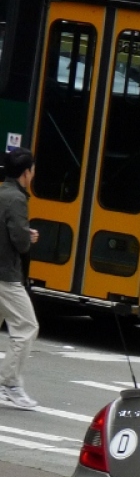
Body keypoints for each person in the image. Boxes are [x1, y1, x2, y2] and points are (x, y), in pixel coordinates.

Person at [0, 148, 39, 410]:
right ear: (26, 173)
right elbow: (20, 241)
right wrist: (29, 236)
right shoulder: (16, 200)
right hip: (6, 275)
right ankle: (9, 383)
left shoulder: (2, 192)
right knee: (26, 327)